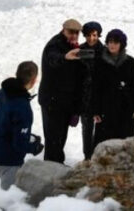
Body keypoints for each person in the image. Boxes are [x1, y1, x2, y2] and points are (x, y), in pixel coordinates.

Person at [0, 60, 44, 190]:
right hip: (8, 160)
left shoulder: (4, 91)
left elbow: (0, 119)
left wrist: (27, 136)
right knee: (11, 199)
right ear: (34, 80)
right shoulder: (22, 107)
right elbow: (19, 144)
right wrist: (33, 147)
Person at [39, 18, 83, 163]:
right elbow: (53, 58)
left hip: (64, 103)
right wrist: (65, 57)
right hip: (52, 102)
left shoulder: (73, 46)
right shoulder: (55, 45)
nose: (74, 35)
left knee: (60, 139)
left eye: (77, 33)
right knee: (53, 140)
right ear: (63, 30)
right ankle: (51, 169)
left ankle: (57, 165)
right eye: (71, 32)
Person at [92, 29, 134, 148]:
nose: (112, 45)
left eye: (115, 42)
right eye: (109, 42)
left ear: (122, 44)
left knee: (126, 145)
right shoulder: (99, 62)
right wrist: (95, 110)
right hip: (106, 109)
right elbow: (95, 87)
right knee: (104, 146)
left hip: (126, 109)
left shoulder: (131, 62)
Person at [78, 21, 104, 160]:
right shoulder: (79, 50)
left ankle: (99, 156)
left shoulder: (105, 51)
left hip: (100, 96)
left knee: (101, 129)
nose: (91, 38)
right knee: (86, 129)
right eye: (88, 35)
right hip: (84, 97)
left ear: (98, 35)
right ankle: (87, 156)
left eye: (94, 35)